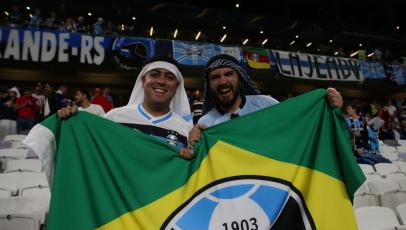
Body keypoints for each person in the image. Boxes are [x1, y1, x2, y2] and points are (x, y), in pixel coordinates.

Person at [188, 54, 343, 148]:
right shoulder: (206, 123)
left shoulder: (265, 104)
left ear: (239, 79)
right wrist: (193, 147)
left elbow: (298, 127)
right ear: (209, 86)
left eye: (229, 74)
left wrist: (327, 108)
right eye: (215, 77)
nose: (223, 81)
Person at [58, 56, 193, 151]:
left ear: (176, 87)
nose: (161, 81)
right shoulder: (115, 118)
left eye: (170, 77)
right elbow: (85, 151)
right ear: (142, 81)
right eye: (154, 74)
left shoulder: (185, 130)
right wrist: (68, 125)